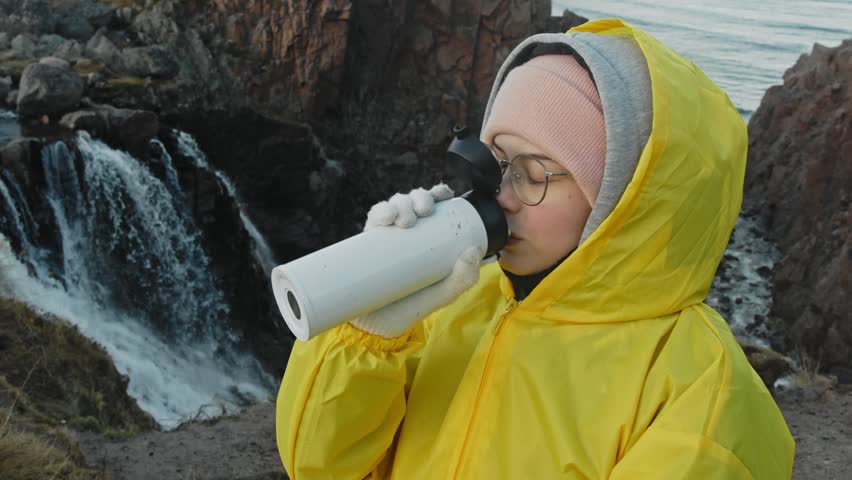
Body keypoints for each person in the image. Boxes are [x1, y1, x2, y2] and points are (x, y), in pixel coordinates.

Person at [275, 18, 795, 479]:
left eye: (531, 173)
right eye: (494, 162)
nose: (500, 196)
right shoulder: (450, 303)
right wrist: (367, 335)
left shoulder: (701, 391)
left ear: (620, 195)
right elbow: (319, 469)